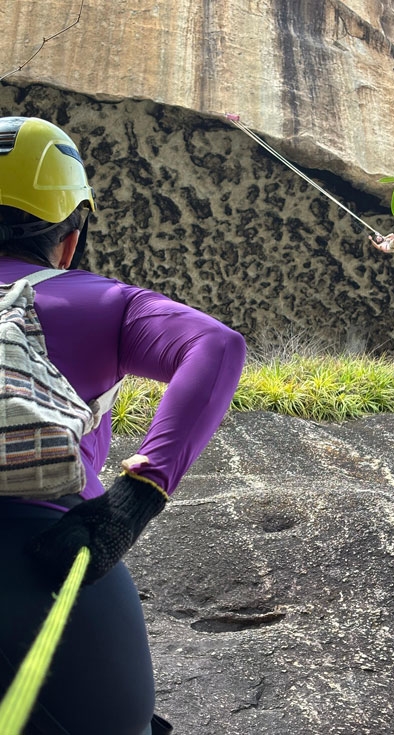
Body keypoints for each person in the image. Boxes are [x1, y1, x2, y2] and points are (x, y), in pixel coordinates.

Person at [0, 117, 246, 734]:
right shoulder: (97, 301)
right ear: (70, 236)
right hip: (44, 563)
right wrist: (139, 496)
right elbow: (214, 347)